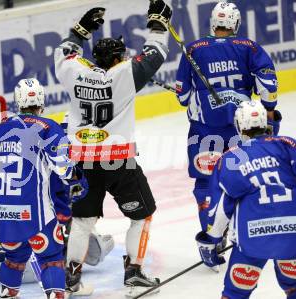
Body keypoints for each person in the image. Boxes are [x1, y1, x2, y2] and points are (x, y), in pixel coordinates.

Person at [54, 0, 172, 296]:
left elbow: (64, 52)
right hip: (119, 162)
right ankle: (134, 275)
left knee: (82, 221)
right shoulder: (126, 74)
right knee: (141, 216)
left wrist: (80, 30)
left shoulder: (75, 72)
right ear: (119, 57)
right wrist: (158, 24)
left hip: (82, 161)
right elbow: (155, 53)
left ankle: (70, 280)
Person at [175, 1, 281, 236]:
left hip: (203, 131)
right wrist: (270, 110)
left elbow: (182, 96)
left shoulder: (193, 49)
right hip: (242, 128)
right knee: (246, 176)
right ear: (235, 23)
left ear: (214, 23)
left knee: (205, 183)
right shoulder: (249, 47)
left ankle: (212, 234)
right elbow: (267, 82)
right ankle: (245, 229)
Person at [0, 78, 88, 299]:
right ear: (42, 99)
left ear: (18, 101)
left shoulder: (0, 129)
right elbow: (64, 168)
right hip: (35, 215)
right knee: (51, 258)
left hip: (6, 213)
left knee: (14, 259)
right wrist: (78, 179)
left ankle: (8, 294)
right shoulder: (47, 127)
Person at [196, 100, 296, 299]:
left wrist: (211, 241)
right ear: (265, 123)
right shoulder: (286, 144)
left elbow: (220, 209)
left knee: (235, 294)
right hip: (294, 233)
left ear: (239, 126)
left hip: (253, 238)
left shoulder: (231, 158)